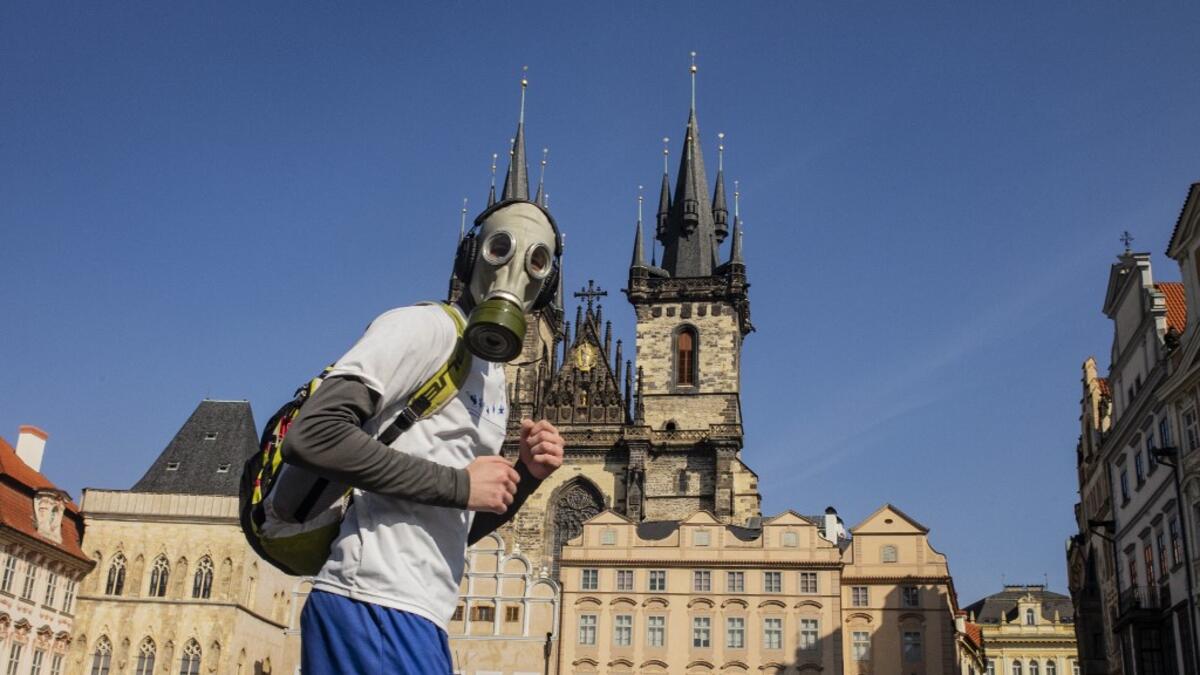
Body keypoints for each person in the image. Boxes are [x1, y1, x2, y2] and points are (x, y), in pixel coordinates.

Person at [282, 199, 566, 673]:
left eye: (538, 262)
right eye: (503, 249)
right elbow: (313, 435)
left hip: (423, 613)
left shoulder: (491, 379)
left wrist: (526, 476)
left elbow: (456, 525)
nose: (518, 272)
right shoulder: (422, 327)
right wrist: (462, 485)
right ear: (471, 255)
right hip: (371, 598)